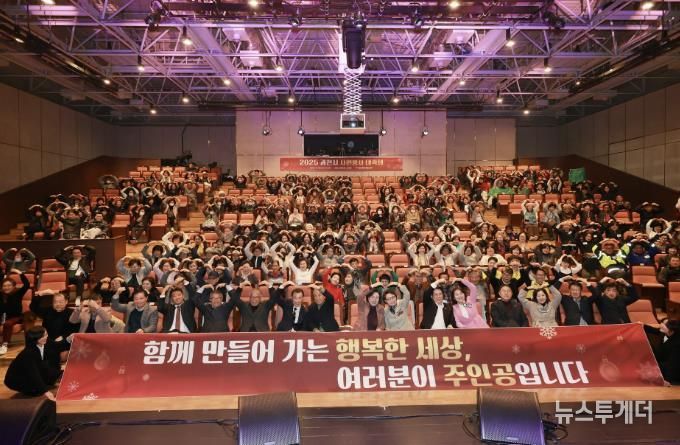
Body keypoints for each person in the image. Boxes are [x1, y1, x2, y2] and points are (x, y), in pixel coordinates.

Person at [4, 327, 61, 400]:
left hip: (27, 374)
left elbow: (42, 367)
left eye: (46, 334)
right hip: (16, 380)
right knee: (36, 391)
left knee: (49, 372)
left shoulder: (38, 346)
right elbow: (34, 374)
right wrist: (45, 392)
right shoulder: (29, 353)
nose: (47, 337)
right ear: (37, 339)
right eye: (44, 336)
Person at [30, 291, 80, 359]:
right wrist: (41, 294)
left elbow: (75, 329)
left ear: (66, 302)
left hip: (64, 340)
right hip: (48, 340)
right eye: (55, 302)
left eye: (60, 302)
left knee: (62, 356)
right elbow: (33, 307)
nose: (58, 304)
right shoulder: (48, 311)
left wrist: (63, 336)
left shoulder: (71, 313)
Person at [0, 269, 30, 355]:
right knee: (6, 322)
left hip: (16, 317)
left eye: (9, 285)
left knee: (7, 324)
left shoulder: (18, 293)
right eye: (4, 286)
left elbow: (27, 285)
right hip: (3, 317)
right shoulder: (1, 295)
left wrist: (20, 273)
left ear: (13, 286)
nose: (6, 287)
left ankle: (4, 345)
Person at [643, 319, 680, 385]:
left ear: (671, 330)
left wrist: (667, 380)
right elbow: (655, 330)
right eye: (662, 323)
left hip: (672, 370)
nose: (661, 325)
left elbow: (673, 364)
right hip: (663, 361)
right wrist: (642, 325)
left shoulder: (677, 344)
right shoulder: (665, 332)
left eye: (664, 325)